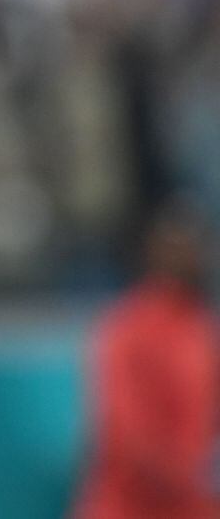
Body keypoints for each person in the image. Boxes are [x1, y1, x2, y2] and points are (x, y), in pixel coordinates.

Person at [74, 204, 220, 518]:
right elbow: (128, 432)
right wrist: (187, 474)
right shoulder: (128, 328)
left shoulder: (203, 326)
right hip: (129, 508)